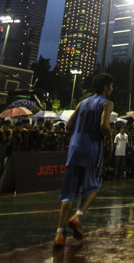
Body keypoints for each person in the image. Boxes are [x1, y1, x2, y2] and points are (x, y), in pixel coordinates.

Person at [53, 73, 114, 248]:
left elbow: (68, 124)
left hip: (74, 149)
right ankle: (78, 216)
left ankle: (59, 234)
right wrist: (109, 137)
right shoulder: (106, 103)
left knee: (68, 194)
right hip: (91, 148)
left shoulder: (82, 102)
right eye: (111, 86)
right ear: (105, 87)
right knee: (93, 186)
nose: (112, 89)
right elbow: (104, 126)